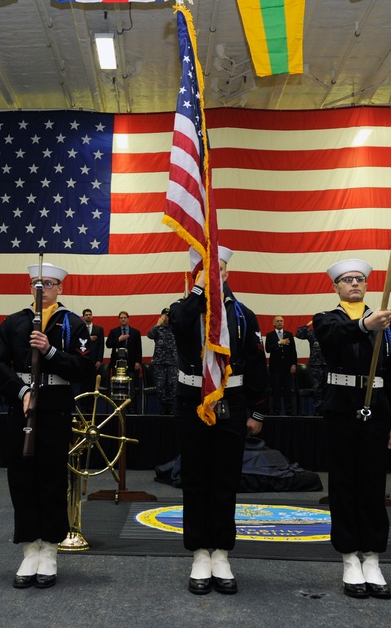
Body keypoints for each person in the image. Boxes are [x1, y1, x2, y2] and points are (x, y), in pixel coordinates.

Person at [168, 246, 266, 596]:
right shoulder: (184, 310)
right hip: (192, 402)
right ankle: (199, 552)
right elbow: (177, 324)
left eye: (220, 269)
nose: (216, 274)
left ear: (227, 274)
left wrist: (256, 411)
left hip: (232, 403)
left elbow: (256, 365)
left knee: (224, 479)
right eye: (209, 269)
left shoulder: (242, 314)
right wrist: (199, 288)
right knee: (195, 479)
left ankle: (221, 552)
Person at [0, 261, 92, 589]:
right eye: (37, 283)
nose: (42, 289)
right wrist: (20, 391)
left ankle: (49, 548)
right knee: (21, 478)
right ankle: (28, 548)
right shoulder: (13, 323)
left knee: (50, 477)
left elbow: (84, 367)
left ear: (59, 288)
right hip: (22, 407)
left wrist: (49, 353)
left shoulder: (72, 324)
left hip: (55, 409)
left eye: (48, 283)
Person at [313, 259, 391, 600]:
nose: (354, 284)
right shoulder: (328, 319)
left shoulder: (387, 326)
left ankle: (373, 557)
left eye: (360, 280)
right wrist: (367, 324)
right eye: (347, 280)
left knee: (372, 484)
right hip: (341, 409)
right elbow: (333, 336)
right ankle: (349, 556)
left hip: (377, 410)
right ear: (336, 287)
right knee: (344, 483)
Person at [146, 308, 178, 415]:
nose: (166, 318)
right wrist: (157, 324)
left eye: (168, 316)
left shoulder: (174, 329)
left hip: (172, 362)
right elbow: (149, 335)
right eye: (164, 316)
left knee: (172, 386)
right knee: (160, 387)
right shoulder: (158, 329)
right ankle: (164, 407)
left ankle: (170, 408)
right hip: (159, 362)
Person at [265, 315, 298, 415]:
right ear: (273, 323)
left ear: (283, 323)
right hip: (275, 369)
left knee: (288, 391)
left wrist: (294, 364)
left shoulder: (289, 334)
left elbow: (293, 351)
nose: (279, 322)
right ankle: (276, 411)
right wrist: (279, 343)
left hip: (287, 368)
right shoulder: (270, 335)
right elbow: (268, 349)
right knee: (276, 391)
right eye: (277, 321)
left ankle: (289, 411)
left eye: (281, 321)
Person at [296, 319, 327, 415]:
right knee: (317, 388)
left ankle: (326, 410)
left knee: (327, 388)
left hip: (327, 365)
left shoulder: (329, 333)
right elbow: (299, 334)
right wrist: (308, 324)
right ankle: (318, 410)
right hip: (315, 365)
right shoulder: (312, 334)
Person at [106, 311, 143, 379]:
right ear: (119, 319)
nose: (123, 319)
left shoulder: (135, 332)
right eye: (121, 318)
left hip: (131, 362)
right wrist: (119, 339)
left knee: (131, 381)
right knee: (116, 382)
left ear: (128, 319)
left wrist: (138, 362)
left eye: (125, 318)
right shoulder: (114, 331)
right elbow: (108, 344)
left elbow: (138, 348)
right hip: (117, 362)